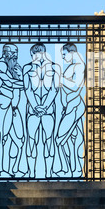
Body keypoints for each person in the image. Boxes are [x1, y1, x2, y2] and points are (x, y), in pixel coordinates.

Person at [23, 43, 61, 178]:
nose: (38, 57)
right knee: (31, 141)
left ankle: (48, 173)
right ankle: (31, 174)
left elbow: (54, 90)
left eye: (41, 53)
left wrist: (44, 106)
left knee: (49, 141)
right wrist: (35, 106)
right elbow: (27, 89)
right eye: (35, 54)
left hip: (48, 110)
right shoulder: (27, 69)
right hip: (33, 111)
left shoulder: (54, 69)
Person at [0, 44, 25, 177]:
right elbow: (9, 83)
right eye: (13, 52)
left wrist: (21, 78)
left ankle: (14, 168)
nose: (15, 55)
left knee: (19, 139)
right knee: (1, 137)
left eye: (16, 52)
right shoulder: (0, 65)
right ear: (5, 53)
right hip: (3, 105)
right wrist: (25, 83)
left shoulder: (16, 67)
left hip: (14, 107)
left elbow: (18, 85)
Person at [55, 43, 86, 177]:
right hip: (70, 106)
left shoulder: (79, 66)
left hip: (75, 106)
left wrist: (60, 78)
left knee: (59, 140)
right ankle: (75, 169)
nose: (63, 57)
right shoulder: (73, 66)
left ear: (72, 52)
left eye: (64, 54)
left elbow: (76, 87)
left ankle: (67, 169)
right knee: (74, 138)